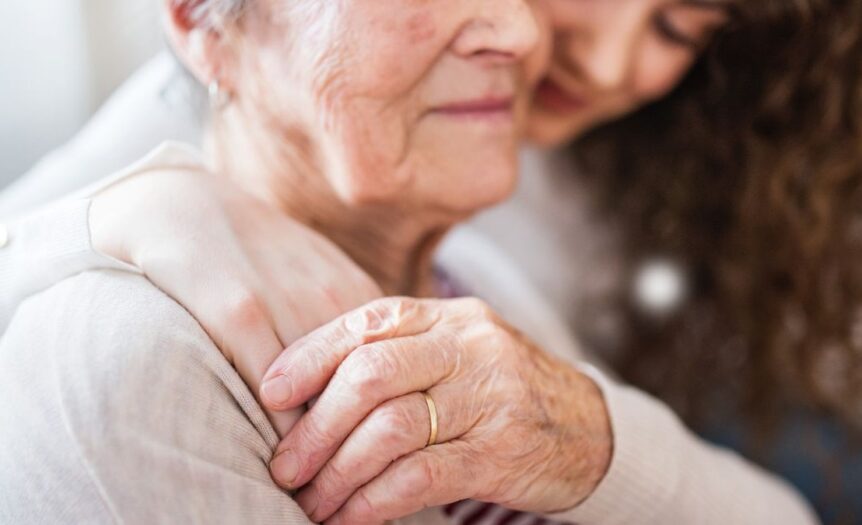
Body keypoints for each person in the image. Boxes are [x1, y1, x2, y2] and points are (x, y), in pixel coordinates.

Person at [2, 0, 855, 522]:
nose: (582, 55)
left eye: (676, 25)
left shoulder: (492, 257)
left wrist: (586, 433)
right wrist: (139, 206)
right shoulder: (136, 356)